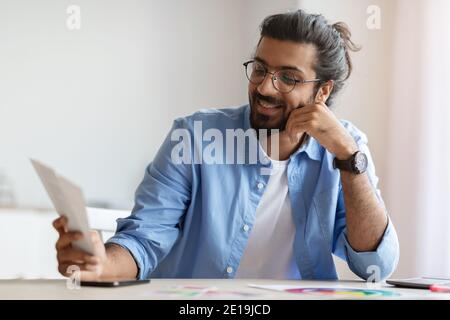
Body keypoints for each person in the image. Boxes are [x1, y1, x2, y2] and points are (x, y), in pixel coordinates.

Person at [52, 10, 399, 281]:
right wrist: (100, 263)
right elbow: (144, 239)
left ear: (322, 91)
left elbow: (376, 264)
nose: (265, 87)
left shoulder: (345, 149)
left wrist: (349, 158)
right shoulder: (195, 137)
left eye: (288, 78)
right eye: (260, 69)